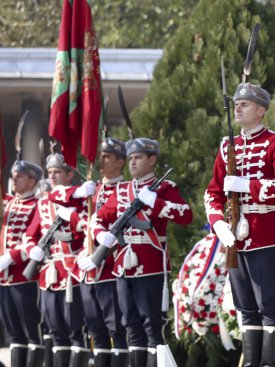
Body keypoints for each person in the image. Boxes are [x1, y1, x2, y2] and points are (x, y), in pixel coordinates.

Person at [205, 82, 275, 367]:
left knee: (268, 304)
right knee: (245, 306)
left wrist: (248, 184)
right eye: (236, 103)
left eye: (244, 104)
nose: (237, 108)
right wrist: (218, 223)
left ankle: (270, 363)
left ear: (261, 111)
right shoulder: (227, 146)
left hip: (265, 230)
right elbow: (213, 192)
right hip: (235, 235)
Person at [92, 137, 192, 367]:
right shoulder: (123, 190)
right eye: (131, 159)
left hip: (150, 265)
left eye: (138, 158)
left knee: (152, 325)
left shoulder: (165, 188)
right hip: (123, 267)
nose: (133, 163)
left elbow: (185, 214)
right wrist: (101, 235)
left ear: (152, 159)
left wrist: (155, 202)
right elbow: (98, 218)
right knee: (131, 325)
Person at [51, 137, 130, 367]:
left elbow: (104, 223)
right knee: (97, 332)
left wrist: (76, 218)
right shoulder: (91, 189)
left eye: (106, 157)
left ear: (120, 162)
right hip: (87, 273)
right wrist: (76, 193)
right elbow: (52, 195)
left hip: (110, 270)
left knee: (117, 331)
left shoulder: (125, 190)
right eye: (100, 156)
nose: (101, 162)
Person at [25, 153, 88, 367]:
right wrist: (33, 248)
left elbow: (86, 235)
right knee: (55, 330)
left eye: (57, 172)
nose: (52, 176)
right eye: (50, 172)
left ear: (70, 175)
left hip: (72, 273)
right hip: (49, 274)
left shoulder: (80, 201)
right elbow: (29, 235)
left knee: (75, 330)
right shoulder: (43, 205)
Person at [0, 160, 45, 367]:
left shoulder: (38, 205)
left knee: (31, 331)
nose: (14, 179)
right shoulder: (8, 203)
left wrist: (11, 256)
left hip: (24, 276)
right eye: (13, 175)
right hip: (4, 278)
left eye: (19, 176)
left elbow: (34, 237)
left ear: (32, 181)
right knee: (14, 333)